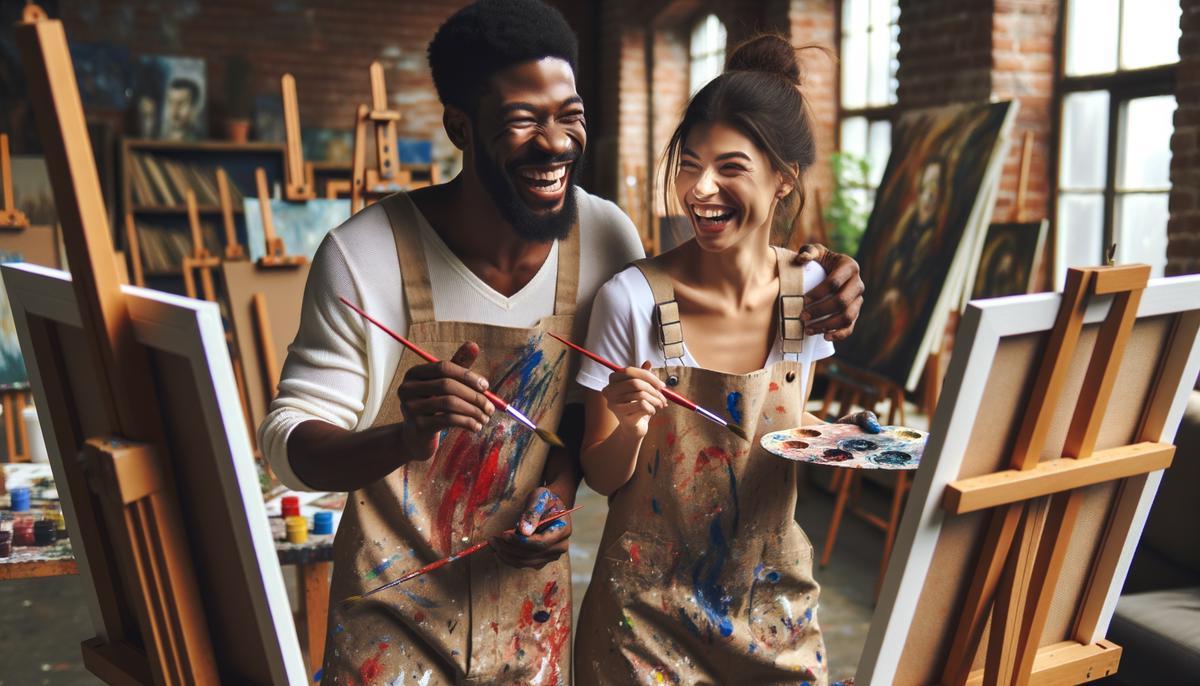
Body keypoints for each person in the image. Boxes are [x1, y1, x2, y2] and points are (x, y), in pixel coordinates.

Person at [259, 2, 865, 683]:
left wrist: (821, 268)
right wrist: (402, 437)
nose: (554, 142)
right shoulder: (366, 255)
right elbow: (289, 445)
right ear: (460, 125)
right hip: (391, 620)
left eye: (569, 114)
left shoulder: (604, 238)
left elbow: (581, 419)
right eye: (522, 119)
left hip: (529, 623)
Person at [573, 35, 876, 685]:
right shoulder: (631, 299)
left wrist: (842, 440)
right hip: (645, 620)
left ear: (783, 178)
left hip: (775, 606)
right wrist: (627, 420)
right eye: (689, 163)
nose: (701, 188)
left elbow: (790, 427)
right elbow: (600, 474)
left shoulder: (811, 293)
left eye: (731, 166)